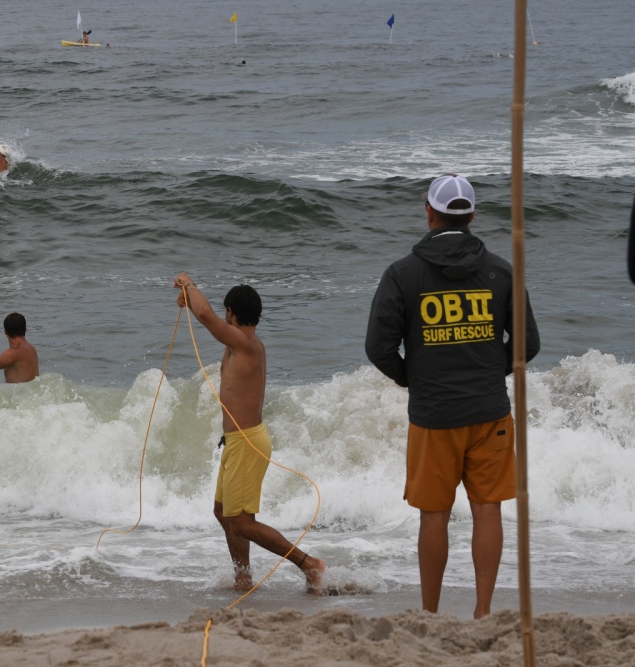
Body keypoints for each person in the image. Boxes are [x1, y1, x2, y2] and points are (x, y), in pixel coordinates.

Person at [365, 174, 540, 618]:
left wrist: (415, 379)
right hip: (489, 410)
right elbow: (528, 344)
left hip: (434, 415)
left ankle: (430, 614)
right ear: (472, 216)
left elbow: (378, 347)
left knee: (434, 515)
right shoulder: (501, 271)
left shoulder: (402, 274)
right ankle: (483, 612)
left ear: (429, 212)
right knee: (487, 509)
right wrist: (489, 373)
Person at [173, 273, 326, 593]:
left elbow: (205, 314)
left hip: (247, 442)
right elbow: (205, 314)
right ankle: (242, 576)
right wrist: (190, 300)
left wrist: (189, 285)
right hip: (236, 441)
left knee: (242, 522)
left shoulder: (244, 343)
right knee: (223, 512)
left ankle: (309, 564)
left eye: (226, 312)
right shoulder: (242, 343)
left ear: (231, 312)